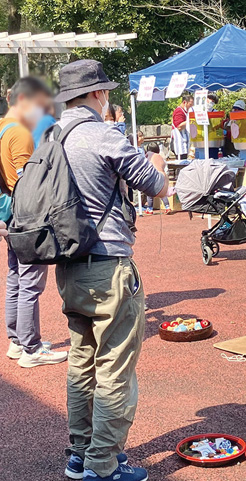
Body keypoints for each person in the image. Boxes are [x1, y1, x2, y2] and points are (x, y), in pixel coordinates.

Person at [54, 59, 168, 481]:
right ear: (98, 94)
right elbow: (157, 185)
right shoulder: (102, 134)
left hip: (67, 267)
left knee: (81, 364)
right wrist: (153, 159)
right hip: (108, 265)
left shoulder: (50, 135)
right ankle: (103, 466)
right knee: (115, 367)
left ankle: (80, 454)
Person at [1, 77, 68, 368]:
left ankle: (17, 340)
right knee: (30, 281)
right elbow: (29, 183)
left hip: (11, 215)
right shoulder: (20, 134)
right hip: (27, 216)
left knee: (16, 277)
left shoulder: (4, 128)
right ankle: (31, 347)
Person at [143, 143, 171, 215]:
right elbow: (165, 167)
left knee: (150, 194)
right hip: (161, 175)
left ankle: (150, 208)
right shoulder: (161, 157)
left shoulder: (149, 156)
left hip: (152, 176)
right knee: (162, 193)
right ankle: (167, 207)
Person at [171, 94, 193, 159]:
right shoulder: (179, 111)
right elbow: (179, 127)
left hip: (185, 142)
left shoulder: (186, 112)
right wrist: (191, 120)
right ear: (184, 102)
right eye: (190, 105)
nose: (191, 107)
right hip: (179, 142)